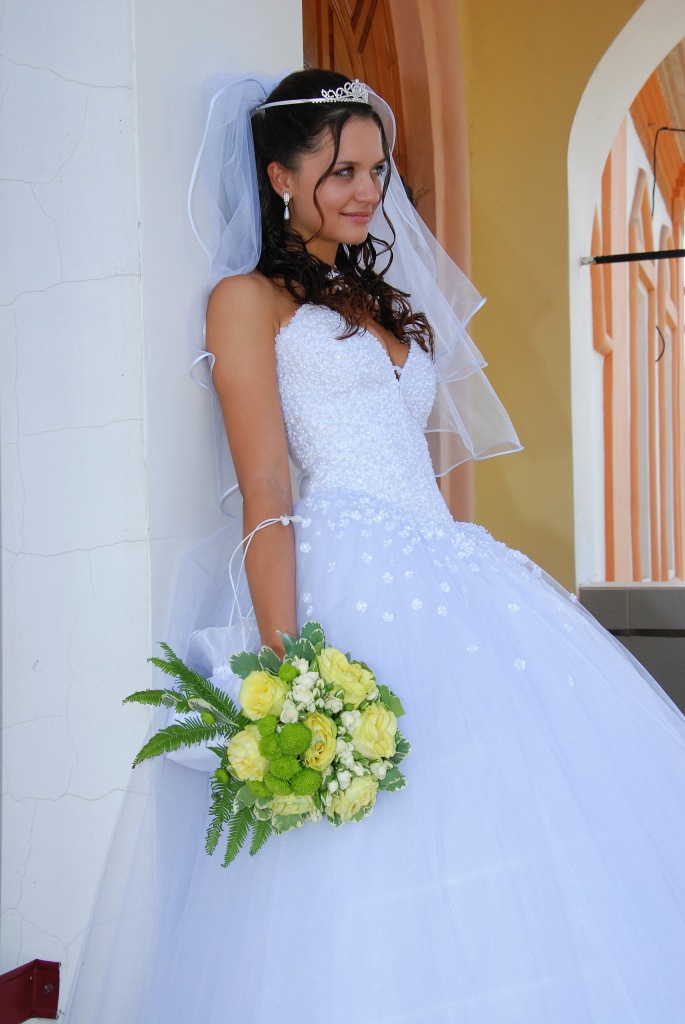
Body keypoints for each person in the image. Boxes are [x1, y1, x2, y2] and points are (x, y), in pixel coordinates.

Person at [65, 69, 685, 1023]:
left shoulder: (375, 297)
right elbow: (266, 489)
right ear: (279, 177)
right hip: (346, 573)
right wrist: (289, 672)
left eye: (376, 169)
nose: (368, 191)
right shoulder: (246, 300)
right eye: (342, 170)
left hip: (450, 568)